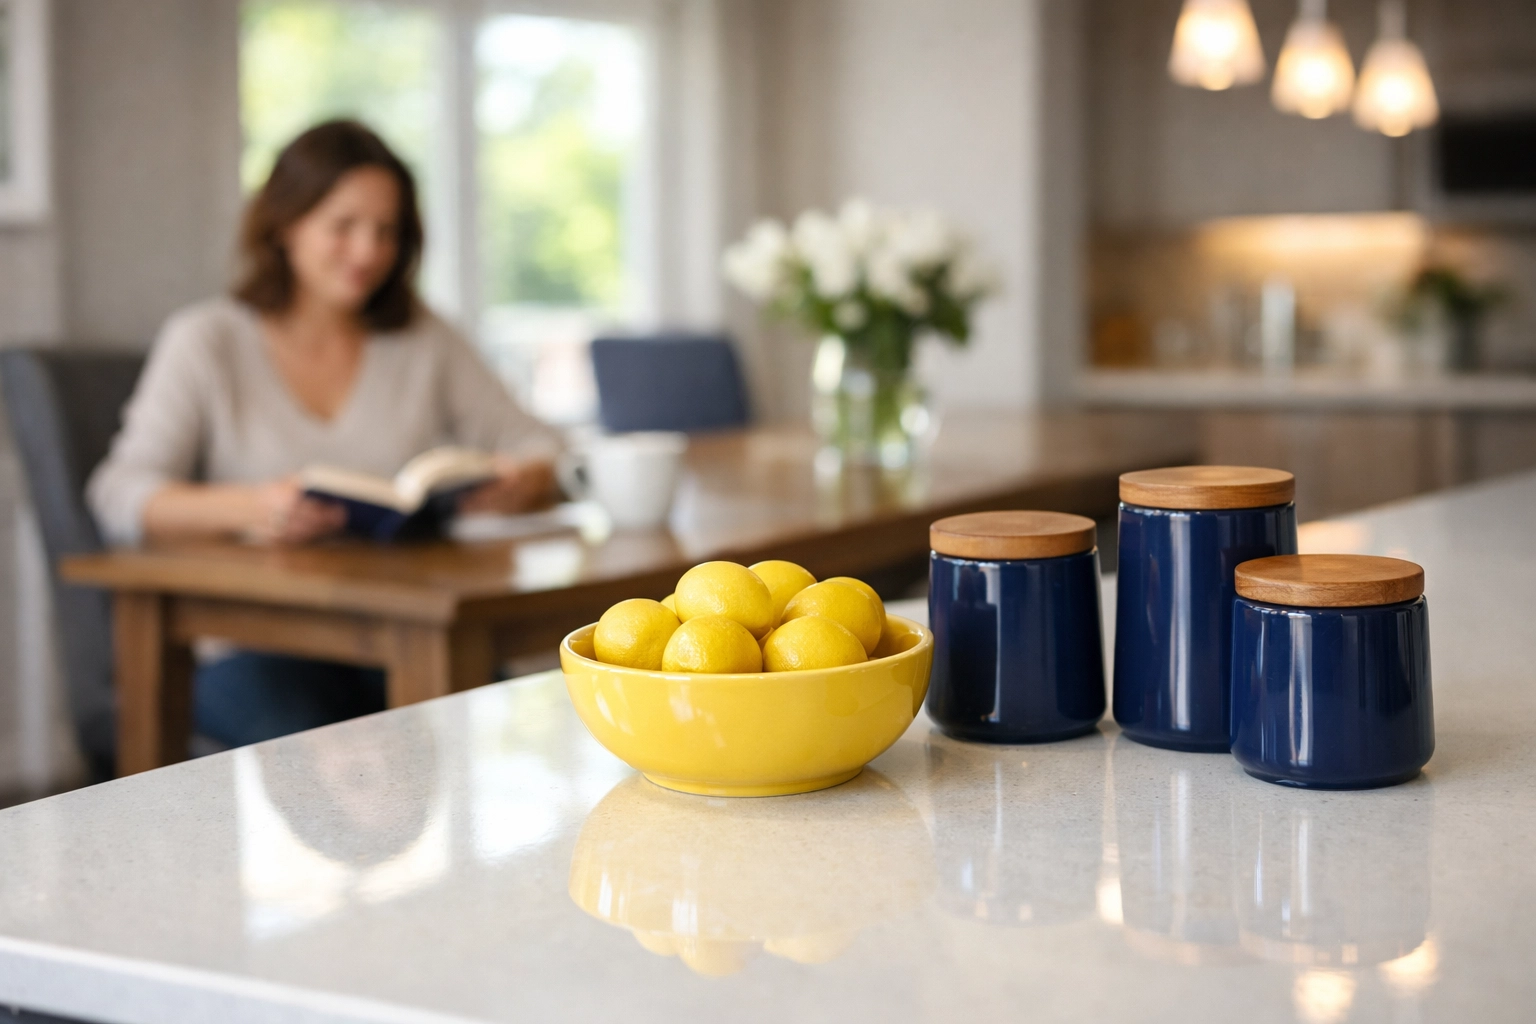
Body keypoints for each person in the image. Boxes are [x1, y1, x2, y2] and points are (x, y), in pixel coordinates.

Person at [88, 119, 561, 749]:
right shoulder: (208, 340)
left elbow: (543, 446)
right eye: (343, 226)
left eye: (387, 231)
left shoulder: (423, 338)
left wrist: (525, 479)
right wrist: (256, 506)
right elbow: (118, 492)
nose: (367, 252)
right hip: (254, 641)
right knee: (318, 751)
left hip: (400, 629)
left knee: (487, 720)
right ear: (285, 224)